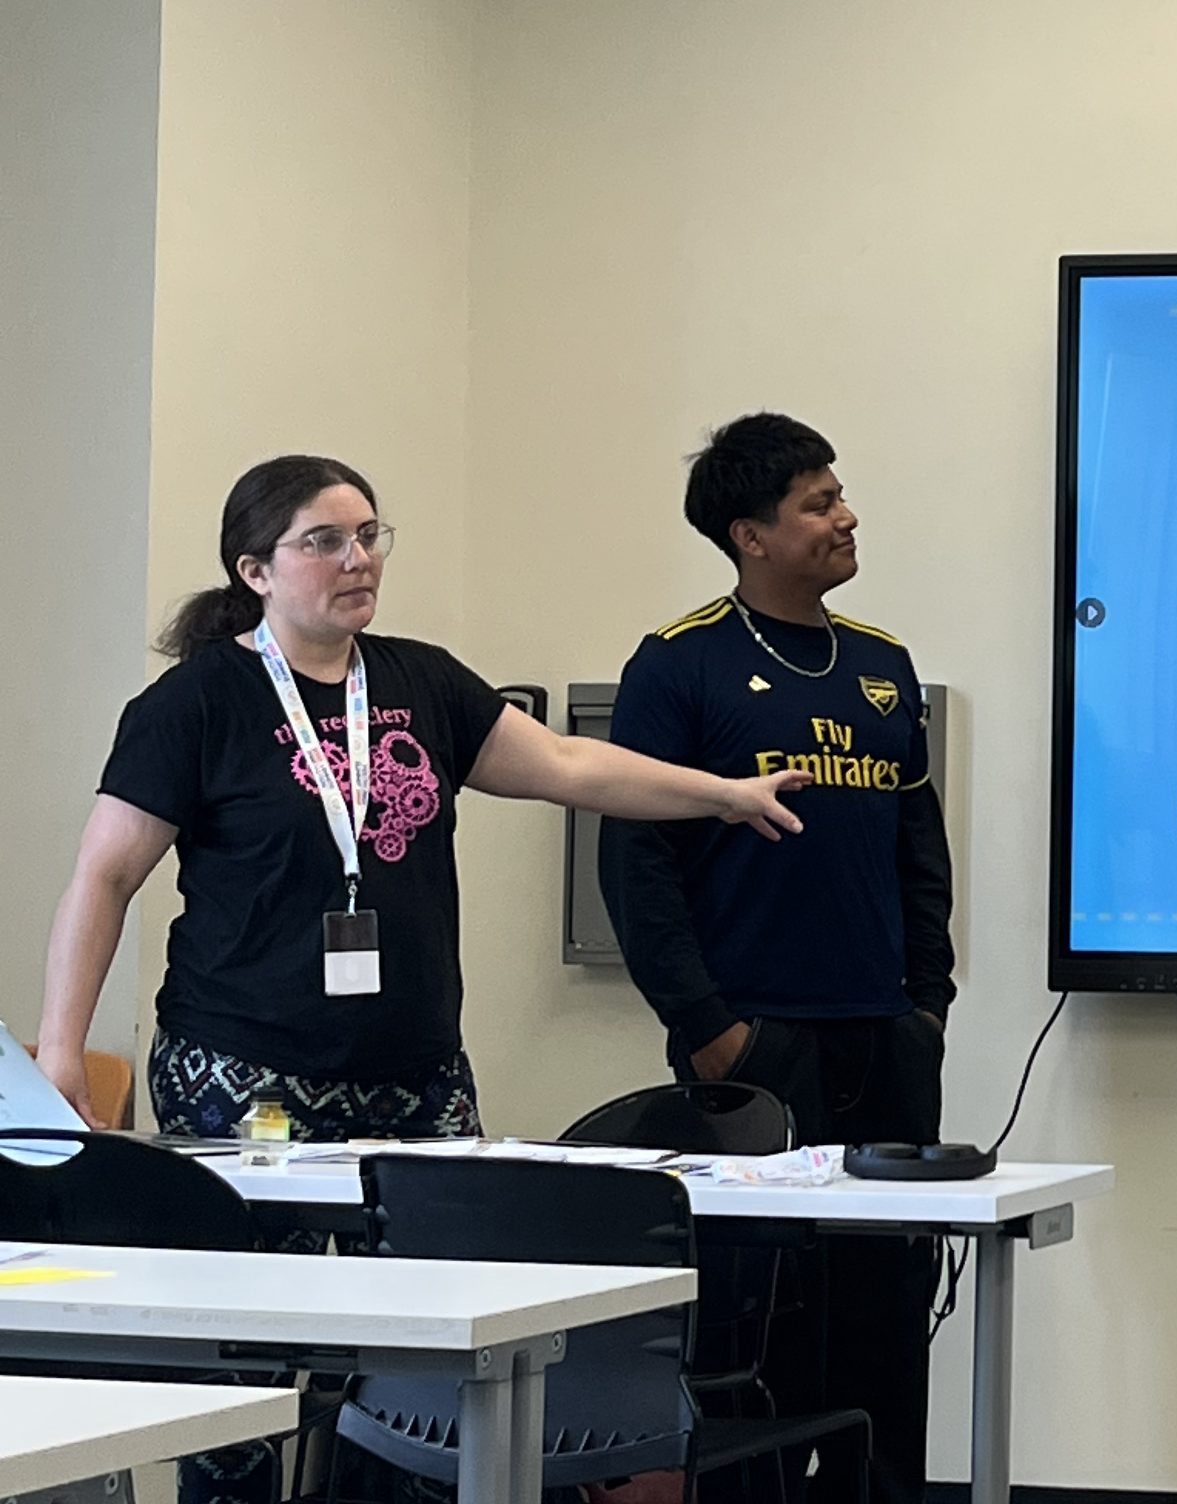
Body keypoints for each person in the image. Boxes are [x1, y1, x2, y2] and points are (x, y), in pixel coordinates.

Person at [34, 453, 805, 1504]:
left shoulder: (419, 682)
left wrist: (718, 793)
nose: (357, 560)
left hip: (415, 1078)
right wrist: (62, 1045)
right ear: (256, 569)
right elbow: (106, 872)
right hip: (244, 1076)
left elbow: (573, 768)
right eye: (324, 541)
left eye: (369, 535)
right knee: (259, 1354)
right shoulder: (196, 703)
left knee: (439, 1350)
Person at [598, 412, 952, 1504]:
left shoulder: (885, 667)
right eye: (817, 502)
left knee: (886, 1314)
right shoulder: (678, 664)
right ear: (750, 533)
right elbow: (635, 868)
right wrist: (711, 1027)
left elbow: (919, 854)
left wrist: (926, 1005)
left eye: (839, 494)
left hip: (883, 1038)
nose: (845, 518)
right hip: (753, 1043)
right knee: (756, 1313)